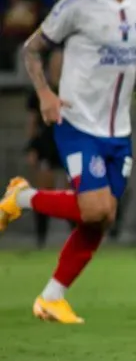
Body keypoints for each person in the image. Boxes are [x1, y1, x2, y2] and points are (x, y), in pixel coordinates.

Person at [0, 0, 136, 323]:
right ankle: (21, 198)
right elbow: (32, 49)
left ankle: (51, 297)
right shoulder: (77, 5)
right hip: (77, 121)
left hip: (120, 130)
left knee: (104, 217)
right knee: (95, 207)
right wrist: (46, 94)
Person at [23, 49, 66, 248]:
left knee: (71, 193)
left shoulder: (74, 90)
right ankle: (41, 239)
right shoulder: (39, 91)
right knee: (44, 191)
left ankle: (76, 239)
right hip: (46, 145)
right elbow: (32, 123)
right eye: (56, 62)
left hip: (69, 144)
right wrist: (31, 148)